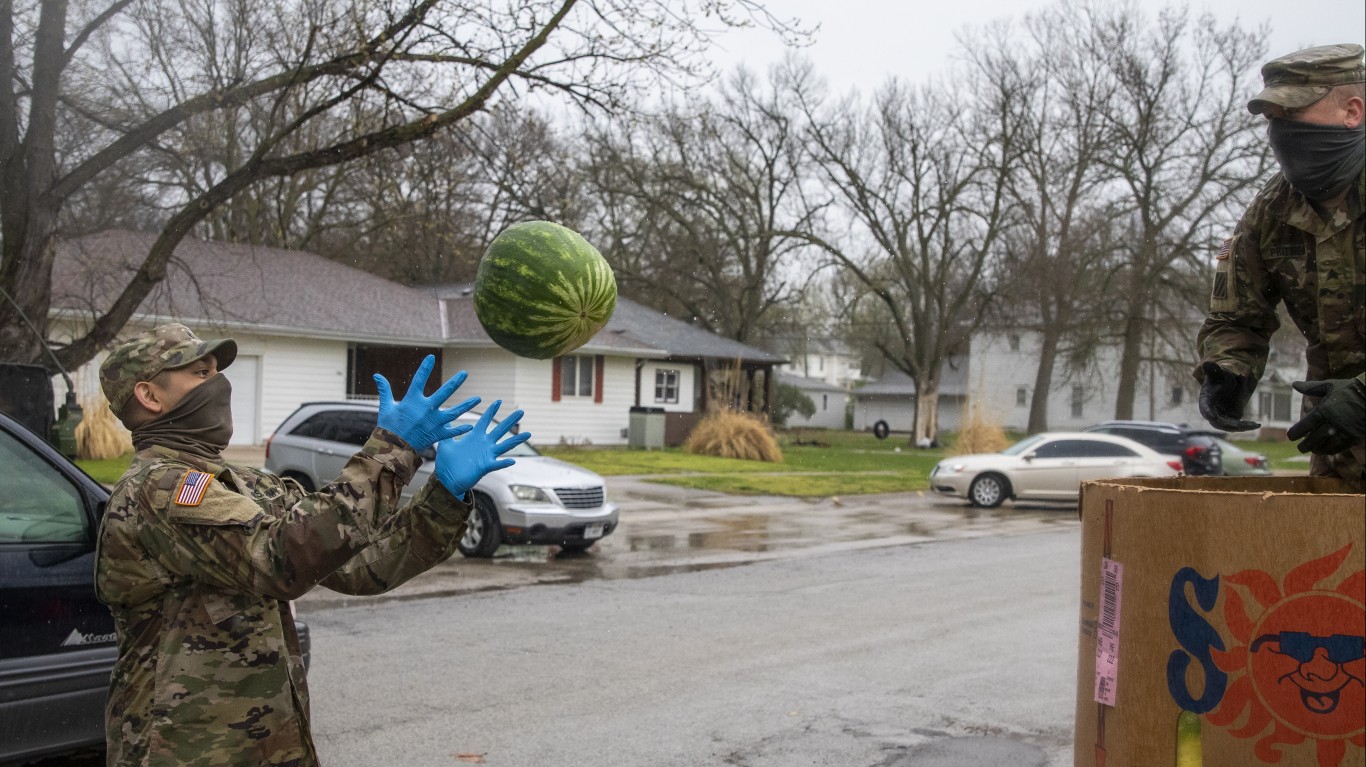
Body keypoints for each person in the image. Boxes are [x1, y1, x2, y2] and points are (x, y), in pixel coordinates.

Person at [94, 323, 529, 766]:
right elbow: (283, 558)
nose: (220, 384)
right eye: (201, 374)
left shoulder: (244, 485)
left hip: (267, 745)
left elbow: (361, 565)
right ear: (150, 396)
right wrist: (393, 449)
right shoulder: (157, 491)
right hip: (185, 753)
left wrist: (444, 495)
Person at [1195, 43, 1365, 489]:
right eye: (1274, 120)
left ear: (1352, 111)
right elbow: (1237, 314)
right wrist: (1227, 370)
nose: (1280, 132)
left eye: (1294, 114)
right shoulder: (1272, 209)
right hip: (1341, 452)